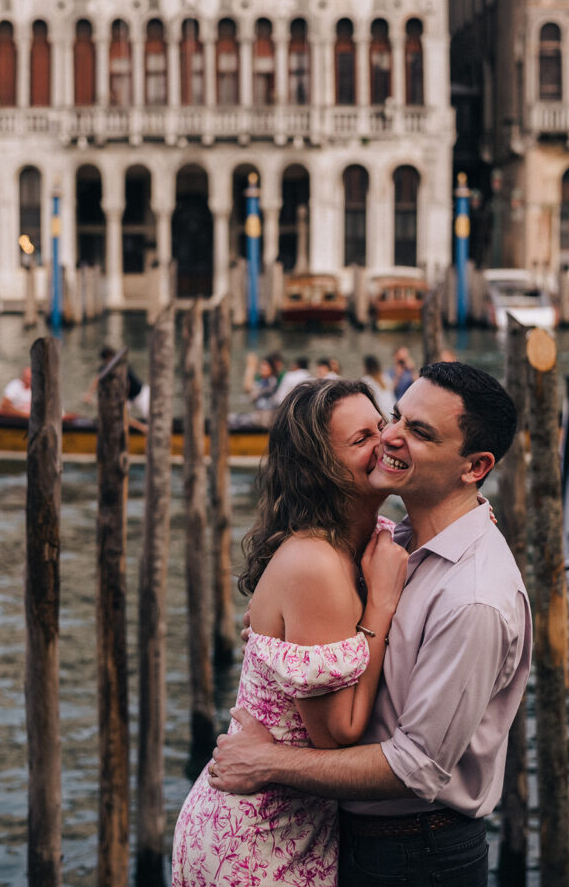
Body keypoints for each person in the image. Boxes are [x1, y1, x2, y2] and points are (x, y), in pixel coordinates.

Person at [209, 362, 532, 887]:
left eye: (420, 433)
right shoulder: (395, 542)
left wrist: (268, 762)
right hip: (357, 840)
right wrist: (285, 641)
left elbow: (417, 768)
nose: (391, 438)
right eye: (397, 417)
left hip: (417, 854)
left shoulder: (474, 600)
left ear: (474, 468)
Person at [172, 379, 409, 886]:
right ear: (321, 470)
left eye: (382, 424)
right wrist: (382, 607)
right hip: (256, 839)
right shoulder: (316, 565)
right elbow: (337, 734)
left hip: (286, 828)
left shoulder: (355, 543)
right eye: (362, 437)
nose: (385, 440)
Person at [83, 346, 150, 425]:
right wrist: (89, 394)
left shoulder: (121, 367)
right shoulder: (106, 368)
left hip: (140, 394)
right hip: (127, 397)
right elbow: (97, 379)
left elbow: (124, 386)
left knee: (149, 417)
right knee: (118, 417)